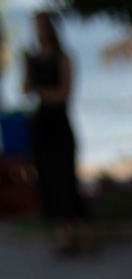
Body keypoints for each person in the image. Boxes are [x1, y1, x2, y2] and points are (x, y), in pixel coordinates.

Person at [23, 12, 93, 255]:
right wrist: (27, 65)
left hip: (59, 123)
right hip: (41, 123)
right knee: (49, 181)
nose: (40, 31)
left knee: (65, 178)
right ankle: (66, 239)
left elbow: (64, 94)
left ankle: (85, 236)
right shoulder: (33, 58)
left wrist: (42, 91)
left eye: (43, 26)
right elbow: (26, 90)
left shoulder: (64, 57)